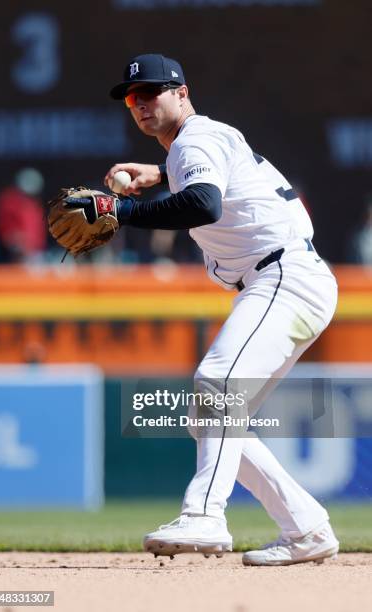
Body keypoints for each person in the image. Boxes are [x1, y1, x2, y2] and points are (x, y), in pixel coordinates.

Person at [106, 54, 339, 566]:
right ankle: (307, 529)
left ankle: (204, 515)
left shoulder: (196, 139)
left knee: (217, 385)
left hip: (283, 276)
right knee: (210, 413)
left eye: (152, 91)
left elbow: (204, 205)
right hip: (289, 278)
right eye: (132, 97)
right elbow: (208, 186)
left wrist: (120, 211)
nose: (142, 103)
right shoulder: (197, 142)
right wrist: (161, 172)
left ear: (182, 93)